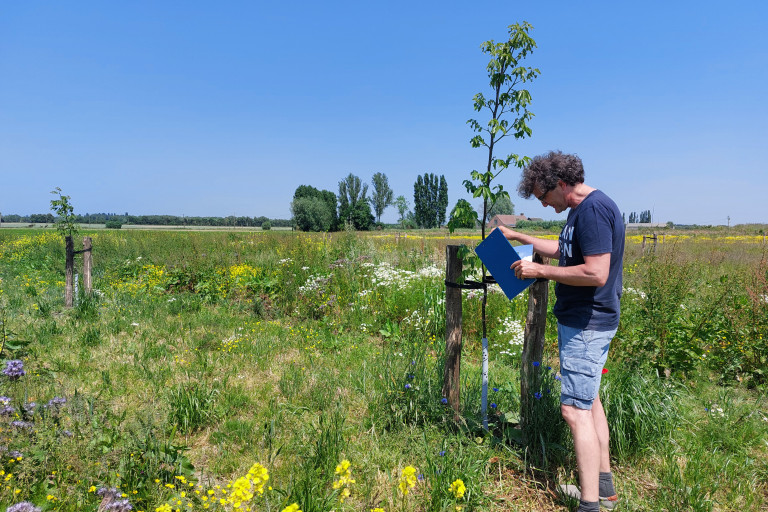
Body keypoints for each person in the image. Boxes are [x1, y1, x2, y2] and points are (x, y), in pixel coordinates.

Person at [497, 150, 624, 512]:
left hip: (587, 322)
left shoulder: (594, 211)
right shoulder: (579, 211)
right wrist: (516, 235)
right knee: (590, 402)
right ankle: (603, 489)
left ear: (562, 184)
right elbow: (563, 251)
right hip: (584, 321)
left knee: (574, 411)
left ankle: (589, 505)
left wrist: (541, 272)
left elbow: (596, 273)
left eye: (543, 196)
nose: (543, 203)